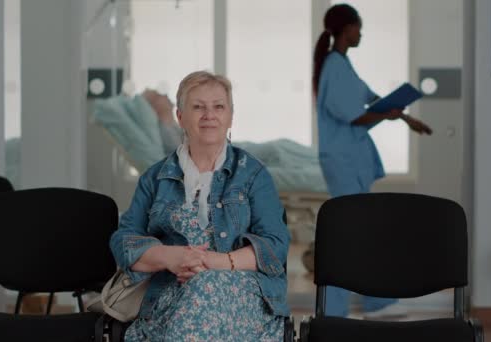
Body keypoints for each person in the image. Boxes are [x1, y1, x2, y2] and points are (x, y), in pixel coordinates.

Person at [111, 71, 290, 341]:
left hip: (245, 296)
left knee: (206, 284)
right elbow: (123, 242)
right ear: (180, 116)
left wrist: (215, 262)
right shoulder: (155, 178)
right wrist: (172, 257)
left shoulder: (253, 175)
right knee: (200, 291)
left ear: (230, 116)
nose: (209, 115)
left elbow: (275, 247)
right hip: (171, 296)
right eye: (198, 107)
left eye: (218, 106)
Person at [313, 4, 432, 319]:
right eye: (358, 27)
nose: (361, 33)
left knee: (358, 230)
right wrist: (390, 115)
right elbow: (356, 116)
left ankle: (371, 303)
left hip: (348, 159)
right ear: (345, 28)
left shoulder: (343, 66)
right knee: (351, 232)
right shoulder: (334, 67)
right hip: (341, 160)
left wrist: (405, 117)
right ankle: (342, 310)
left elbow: (374, 101)